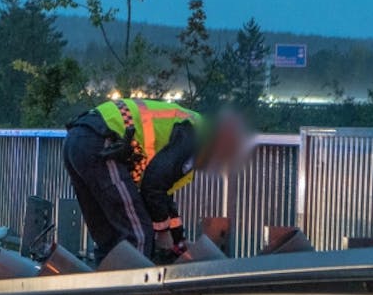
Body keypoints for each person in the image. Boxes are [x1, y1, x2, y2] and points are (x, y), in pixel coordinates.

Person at [63, 97, 244, 264]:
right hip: (102, 142)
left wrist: (178, 241)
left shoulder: (188, 130)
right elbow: (153, 186)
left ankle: (101, 291)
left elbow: (162, 198)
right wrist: (163, 233)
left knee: (111, 239)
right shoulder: (196, 136)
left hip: (77, 139)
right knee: (138, 236)